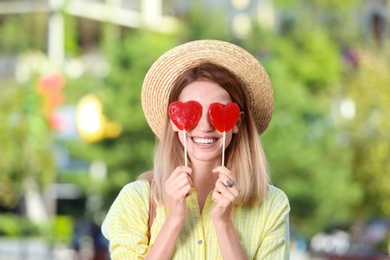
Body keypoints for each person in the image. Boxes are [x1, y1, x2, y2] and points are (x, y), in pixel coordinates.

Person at [101, 39, 290, 259]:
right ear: (173, 120)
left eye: (217, 112)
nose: (204, 126)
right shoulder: (137, 199)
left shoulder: (272, 205)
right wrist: (173, 220)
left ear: (237, 123)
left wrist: (224, 224)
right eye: (192, 112)